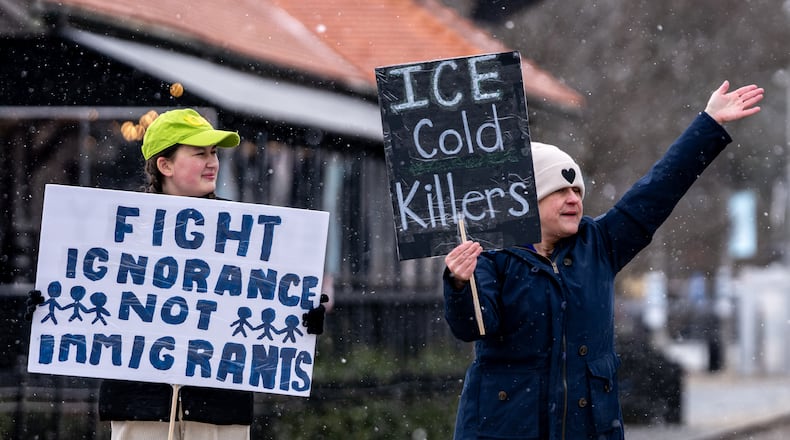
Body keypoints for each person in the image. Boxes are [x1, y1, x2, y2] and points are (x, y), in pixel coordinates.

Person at [442, 80, 764, 440]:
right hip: (506, 430)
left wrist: (709, 124)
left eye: (577, 190)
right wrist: (458, 282)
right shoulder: (490, 256)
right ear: (527, 201)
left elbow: (658, 189)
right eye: (559, 191)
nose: (573, 199)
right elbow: (471, 327)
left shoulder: (600, 244)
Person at [26, 108, 328, 440]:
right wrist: (51, 302)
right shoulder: (116, 230)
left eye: (214, 152)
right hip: (140, 405)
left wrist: (301, 318)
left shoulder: (248, 236)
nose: (212, 162)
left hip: (217, 408)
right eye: (200, 153)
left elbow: (265, 306)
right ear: (164, 164)